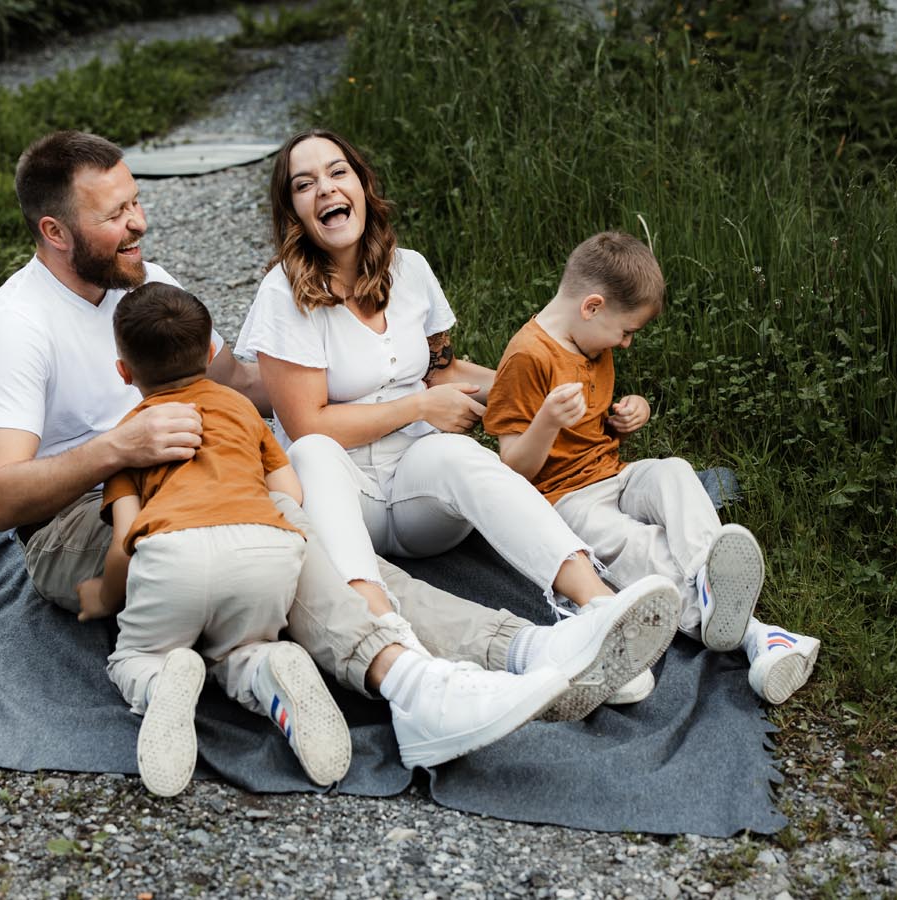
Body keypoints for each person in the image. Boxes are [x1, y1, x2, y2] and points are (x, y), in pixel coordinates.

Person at [0, 130, 652, 775]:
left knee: (298, 538)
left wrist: (341, 364)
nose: (139, 223)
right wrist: (120, 447)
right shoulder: (16, 324)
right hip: (84, 518)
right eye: (115, 215)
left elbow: (239, 383)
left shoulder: (148, 281)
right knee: (290, 551)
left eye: (136, 202)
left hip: (194, 476)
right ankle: (416, 684)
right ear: (55, 232)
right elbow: (0, 497)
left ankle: (525, 647)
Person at [236, 128, 680, 717]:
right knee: (310, 455)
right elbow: (307, 423)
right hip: (343, 495)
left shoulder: (410, 271)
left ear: (362, 186)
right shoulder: (282, 295)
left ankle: (597, 613)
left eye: (338, 172)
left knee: (461, 453)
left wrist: (535, 390)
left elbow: (442, 370)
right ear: (291, 209)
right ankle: (395, 645)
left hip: (417, 491)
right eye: (304, 183)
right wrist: (419, 407)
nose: (325, 189)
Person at [484, 230, 821, 704]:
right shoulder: (527, 357)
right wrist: (546, 422)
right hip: (566, 500)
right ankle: (759, 636)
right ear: (592, 306)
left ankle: (709, 576)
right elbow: (514, 468)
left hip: (615, 474)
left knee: (674, 473)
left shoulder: (592, 342)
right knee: (645, 546)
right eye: (626, 332)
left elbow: (592, 431)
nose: (625, 344)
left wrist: (626, 418)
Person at [69, 282, 346, 796]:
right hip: (264, 549)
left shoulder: (130, 435)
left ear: (124, 372)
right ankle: (268, 667)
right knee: (243, 646)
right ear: (209, 352)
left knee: (134, 658)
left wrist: (102, 597)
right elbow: (289, 492)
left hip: (174, 556)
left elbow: (125, 536)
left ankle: (162, 680)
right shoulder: (241, 408)